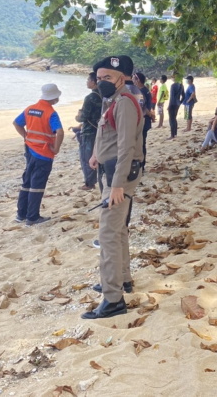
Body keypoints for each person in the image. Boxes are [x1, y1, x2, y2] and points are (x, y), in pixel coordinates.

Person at [82, 55, 144, 320]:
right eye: (99, 78)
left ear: (122, 78)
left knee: (108, 234)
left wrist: (117, 185)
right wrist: (96, 153)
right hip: (109, 173)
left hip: (120, 177)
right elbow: (106, 133)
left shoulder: (125, 103)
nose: (101, 82)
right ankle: (123, 280)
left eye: (107, 77)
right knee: (118, 230)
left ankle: (113, 298)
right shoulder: (112, 100)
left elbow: (127, 146)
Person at [13, 83, 64, 226]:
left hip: (29, 149)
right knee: (37, 184)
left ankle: (20, 214)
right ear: (54, 98)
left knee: (27, 181)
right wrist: (56, 148)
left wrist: (26, 136)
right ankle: (32, 217)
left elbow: (16, 123)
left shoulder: (30, 109)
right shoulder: (50, 112)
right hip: (43, 152)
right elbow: (59, 132)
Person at [75, 72, 103, 190]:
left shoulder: (90, 97)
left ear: (94, 82)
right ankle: (98, 178)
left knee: (87, 157)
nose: (87, 82)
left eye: (88, 80)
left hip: (89, 131)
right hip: (101, 129)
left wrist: (78, 117)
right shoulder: (104, 95)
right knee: (99, 155)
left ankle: (89, 183)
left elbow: (83, 117)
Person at [134, 71, 155, 169]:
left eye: (134, 78)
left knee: (140, 144)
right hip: (145, 120)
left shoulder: (140, 91)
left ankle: (141, 165)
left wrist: (150, 114)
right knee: (142, 143)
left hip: (143, 120)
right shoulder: (146, 90)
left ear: (138, 80)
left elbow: (143, 107)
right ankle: (141, 165)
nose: (133, 80)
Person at [167, 74, 184, 139]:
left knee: (171, 119)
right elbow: (183, 96)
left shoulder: (173, 86)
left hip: (172, 104)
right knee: (174, 118)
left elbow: (171, 97)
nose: (172, 78)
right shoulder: (181, 85)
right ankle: (175, 133)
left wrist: (169, 106)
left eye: (172, 77)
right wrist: (180, 102)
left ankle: (172, 135)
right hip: (177, 104)